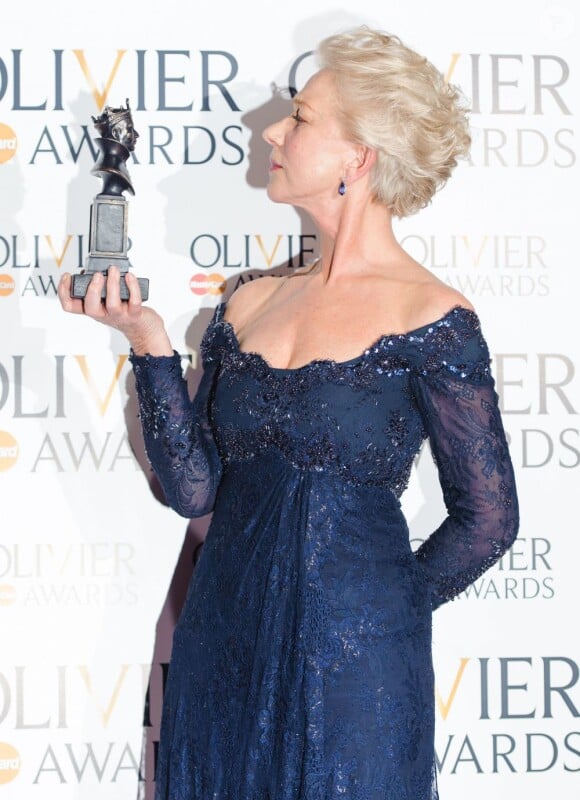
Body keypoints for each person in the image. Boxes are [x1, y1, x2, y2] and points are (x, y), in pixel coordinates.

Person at [59, 26, 519, 800]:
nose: (274, 130)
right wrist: (148, 341)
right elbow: (193, 492)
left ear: (359, 155)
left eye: (300, 117)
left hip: (357, 675)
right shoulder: (249, 299)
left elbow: (489, 518)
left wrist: (379, 607)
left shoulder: (431, 317)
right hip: (221, 643)